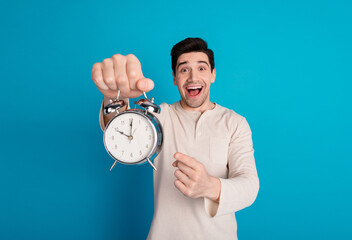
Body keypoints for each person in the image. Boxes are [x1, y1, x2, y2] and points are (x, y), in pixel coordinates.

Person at [91, 38, 260, 240]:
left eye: (202, 68)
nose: (193, 77)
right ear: (174, 77)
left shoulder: (235, 123)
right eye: (184, 70)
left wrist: (209, 186)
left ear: (213, 74)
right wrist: (113, 98)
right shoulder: (159, 116)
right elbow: (123, 129)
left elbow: (249, 186)